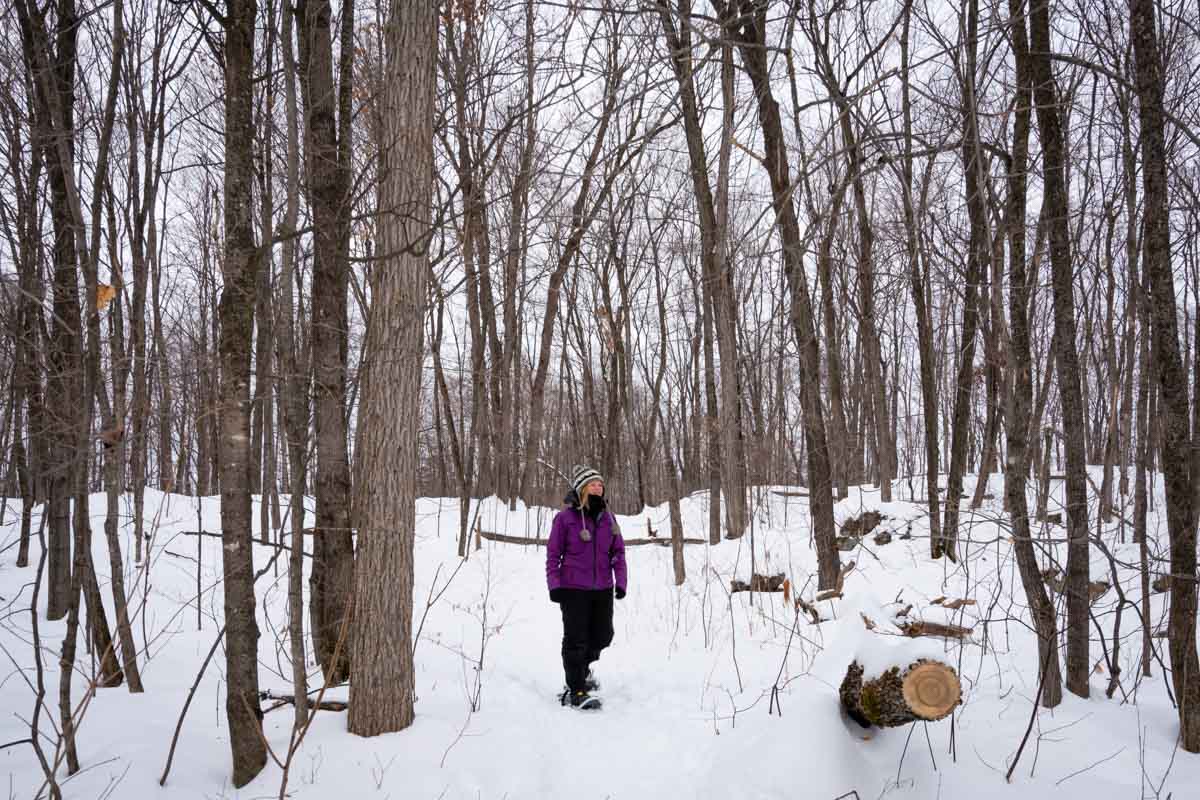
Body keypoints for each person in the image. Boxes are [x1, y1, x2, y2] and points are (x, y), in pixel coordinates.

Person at [546, 464, 627, 709]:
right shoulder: (565, 519)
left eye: (600, 484)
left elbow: (618, 552)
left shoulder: (609, 518)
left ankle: (582, 668)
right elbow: (553, 555)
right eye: (593, 484)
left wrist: (621, 581)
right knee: (576, 639)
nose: (598, 487)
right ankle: (576, 689)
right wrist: (554, 585)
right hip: (573, 589)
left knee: (603, 635)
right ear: (581, 488)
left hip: (602, 588)